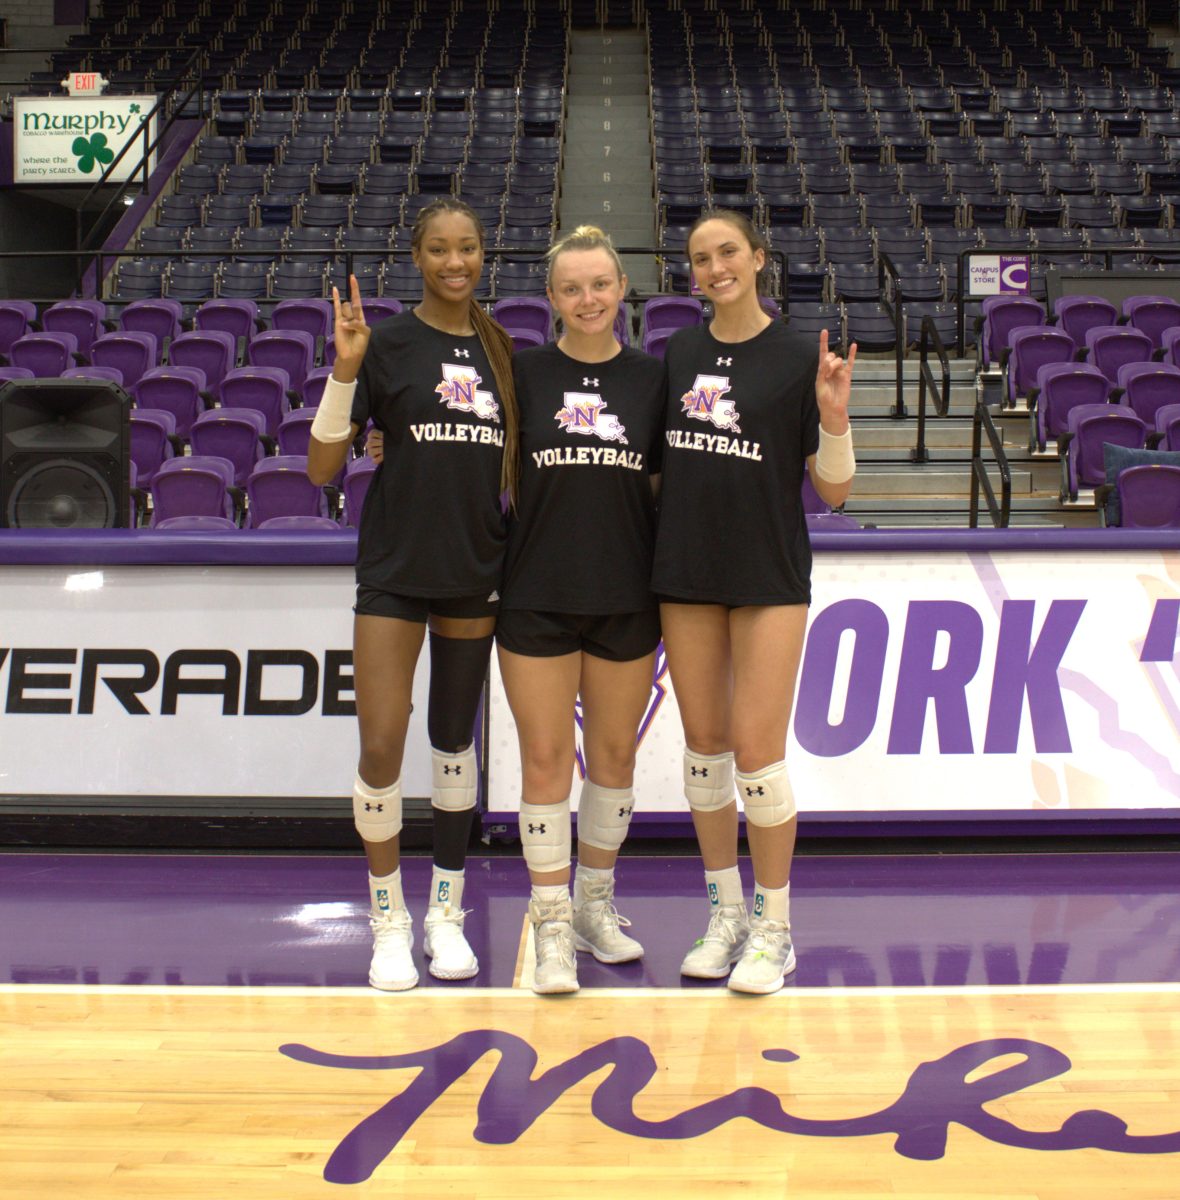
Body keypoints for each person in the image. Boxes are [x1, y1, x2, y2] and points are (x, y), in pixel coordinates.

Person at [306, 197, 518, 992]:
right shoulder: (386, 344)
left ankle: (446, 912)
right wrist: (346, 368)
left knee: (454, 744)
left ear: (482, 255)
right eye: (439, 248)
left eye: (467, 247)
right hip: (395, 567)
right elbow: (322, 470)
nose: (455, 262)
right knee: (381, 746)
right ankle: (388, 918)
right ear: (417, 257)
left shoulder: (504, 354)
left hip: (475, 567)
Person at [652, 208, 857, 995]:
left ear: (759, 258)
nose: (714, 267)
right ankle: (725, 915)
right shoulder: (679, 352)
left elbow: (833, 491)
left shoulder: (799, 355)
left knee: (757, 759)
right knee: (704, 757)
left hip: (769, 571)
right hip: (687, 569)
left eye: (727, 251)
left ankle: (776, 929)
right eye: (700, 258)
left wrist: (834, 416)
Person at [497, 226, 665, 994]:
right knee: (542, 763)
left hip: (626, 595)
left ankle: (595, 904)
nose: (588, 299)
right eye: (572, 288)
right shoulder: (521, 374)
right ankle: (552, 922)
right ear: (552, 297)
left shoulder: (653, 381)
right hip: (536, 594)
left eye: (600, 284)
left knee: (615, 760)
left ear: (621, 288)